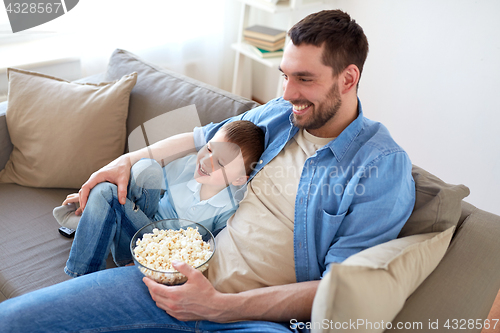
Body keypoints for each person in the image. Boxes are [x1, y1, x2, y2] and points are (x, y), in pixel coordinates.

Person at [0, 9, 416, 332]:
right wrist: (122, 163)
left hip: (255, 320)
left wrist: (217, 306)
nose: (288, 93)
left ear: (348, 78)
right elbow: (199, 139)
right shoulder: (278, 114)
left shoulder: (379, 167)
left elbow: (337, 290)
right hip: (175, 278)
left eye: (304, 79)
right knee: (14, 322)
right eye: (284, 75)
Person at [56, 120, 265, 277]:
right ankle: (81, 274)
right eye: (209, 148)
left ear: (238, 179)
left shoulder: (229, 208)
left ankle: (102, 233)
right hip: (141, 226)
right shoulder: (186, 166)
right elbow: (138, 186)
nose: (206, 161)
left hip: (165, 253)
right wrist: (95, 194)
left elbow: (208, 252)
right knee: (144, 169)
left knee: (111, 191)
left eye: (220, 163)